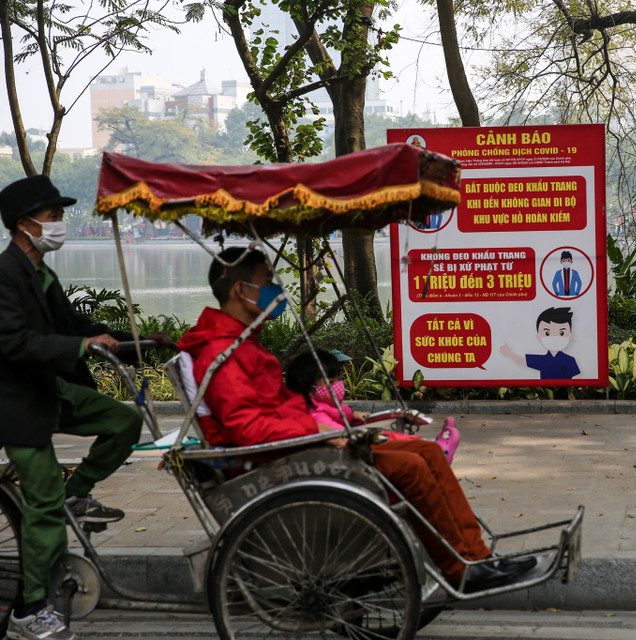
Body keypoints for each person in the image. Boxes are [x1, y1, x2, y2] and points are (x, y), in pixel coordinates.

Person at [177, 247, 533, 591]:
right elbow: (246, 428)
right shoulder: (221, 353)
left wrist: (329, 420)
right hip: (284, 456)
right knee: (412, 468)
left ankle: (477, 557)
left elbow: (281, 408)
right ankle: (460, 568)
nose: (276, 289)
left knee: (425, 451)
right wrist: (314, 428)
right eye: (268, 280)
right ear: (242, 290)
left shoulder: (241, 343)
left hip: (302, 441)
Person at [0, 175, 170, 640]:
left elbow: (75, 326)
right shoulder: (5, 273)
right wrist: (79, 345)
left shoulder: (43, 274)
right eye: (53, 216)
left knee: (124, 419)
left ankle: (81, 489)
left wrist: (137, 343)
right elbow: (13, 343)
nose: (60, 223)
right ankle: (29, 610)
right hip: (18, 404)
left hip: (53, 389)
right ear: (25, 224)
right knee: (44, 510)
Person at [284, 348, 460, 463]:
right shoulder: (315, 413)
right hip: (347, 453)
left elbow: (338, 415)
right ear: (309, 389)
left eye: (339, 380)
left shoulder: (319, 406)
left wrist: (353, 416)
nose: (338, 386)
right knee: (388, 439)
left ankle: (432, 447)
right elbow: (333, 430)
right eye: (331, 382)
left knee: (387, 437)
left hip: (348, 443)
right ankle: (436, 449)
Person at [500, 306, 581, 380]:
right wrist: (508, 353)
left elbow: (577, 379)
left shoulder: (569, 360)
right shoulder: (542, 360)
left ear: (570, 336)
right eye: (547, 333)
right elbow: (521, 360)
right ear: (538, 337)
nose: (554, 337)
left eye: (561, 333)